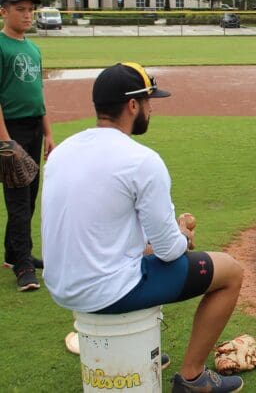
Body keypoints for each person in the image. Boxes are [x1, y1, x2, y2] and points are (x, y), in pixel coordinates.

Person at [41, 63, 245, 392]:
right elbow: (169, 252)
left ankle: (143, 349)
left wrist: (165, 239)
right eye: (149, 102)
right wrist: (182, 234)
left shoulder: (63, 151)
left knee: (148, 257)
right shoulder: (141, 160)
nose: (151, 109)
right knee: (230, 272)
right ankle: (193, 378)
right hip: (106, 290)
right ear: (133, 106)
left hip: (62, 285)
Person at [0, 0, 55, 292]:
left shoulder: (32, 48)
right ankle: (22, 265)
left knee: (30, 194)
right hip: (12, 129)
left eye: (30, 9)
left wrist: (48, 134)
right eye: (19, 9)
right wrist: (6, 140)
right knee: (18, 200)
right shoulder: (1, 46)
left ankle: (13, 253)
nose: (27, 14)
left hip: (34, 127)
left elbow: (38, 95)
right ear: (3, 11)